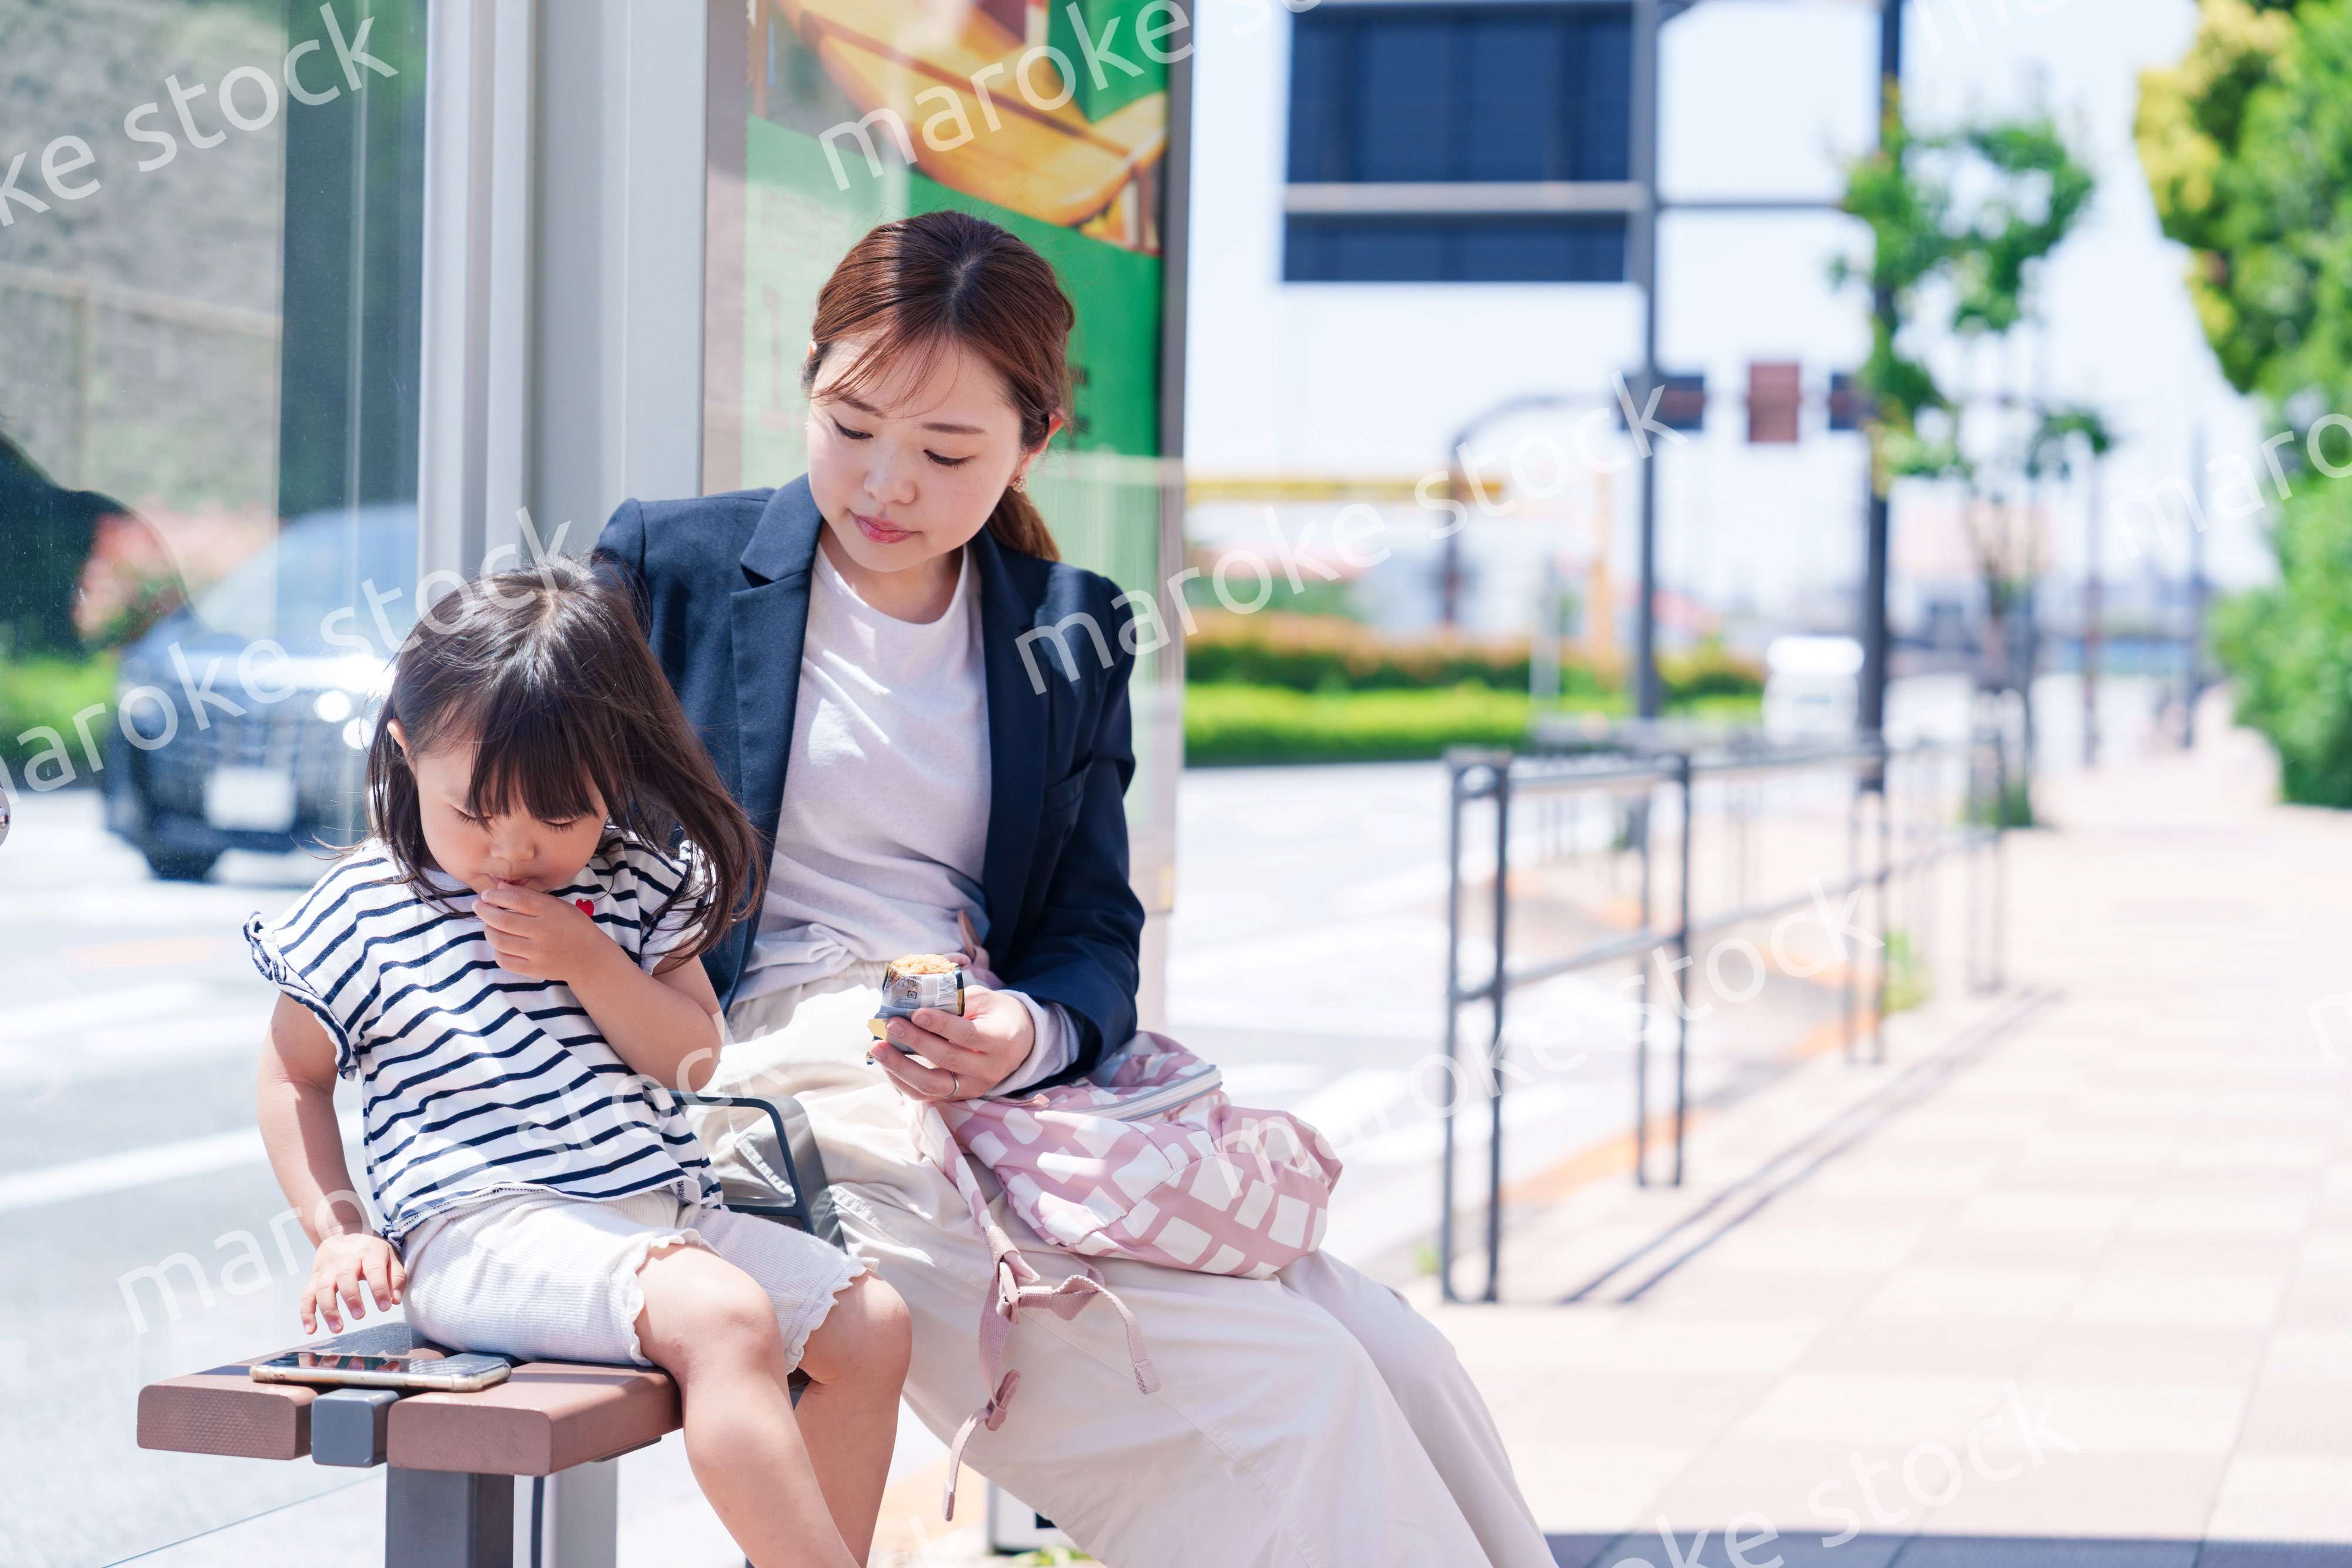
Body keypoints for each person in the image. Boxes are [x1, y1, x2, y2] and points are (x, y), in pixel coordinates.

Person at [594, 209, 1555, 1566]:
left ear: (1033, 442)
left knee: (1388, 1346)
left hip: (1004, 1088)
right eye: (849, 421)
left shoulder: (1068, 626)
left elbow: (1092, 927)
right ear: (805, 382)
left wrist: (1025, 1034)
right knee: (1296, 1397)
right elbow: (496, 796)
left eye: (945, 451)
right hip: (774, 1087)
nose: (883, 481)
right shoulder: (665, 571)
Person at [245, 561, 911, 1568]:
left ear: (614, 772)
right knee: (727, 1317)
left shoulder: (636, 883)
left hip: (656, 1214)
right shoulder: (367, 906)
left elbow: (693, 1063)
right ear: (406, 749)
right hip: (479, 1231)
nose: (513, 851)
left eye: (560, 817)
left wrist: (593, 964)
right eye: (475, 813)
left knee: (873, 1326)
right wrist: (338, 1231)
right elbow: (293, 1075)